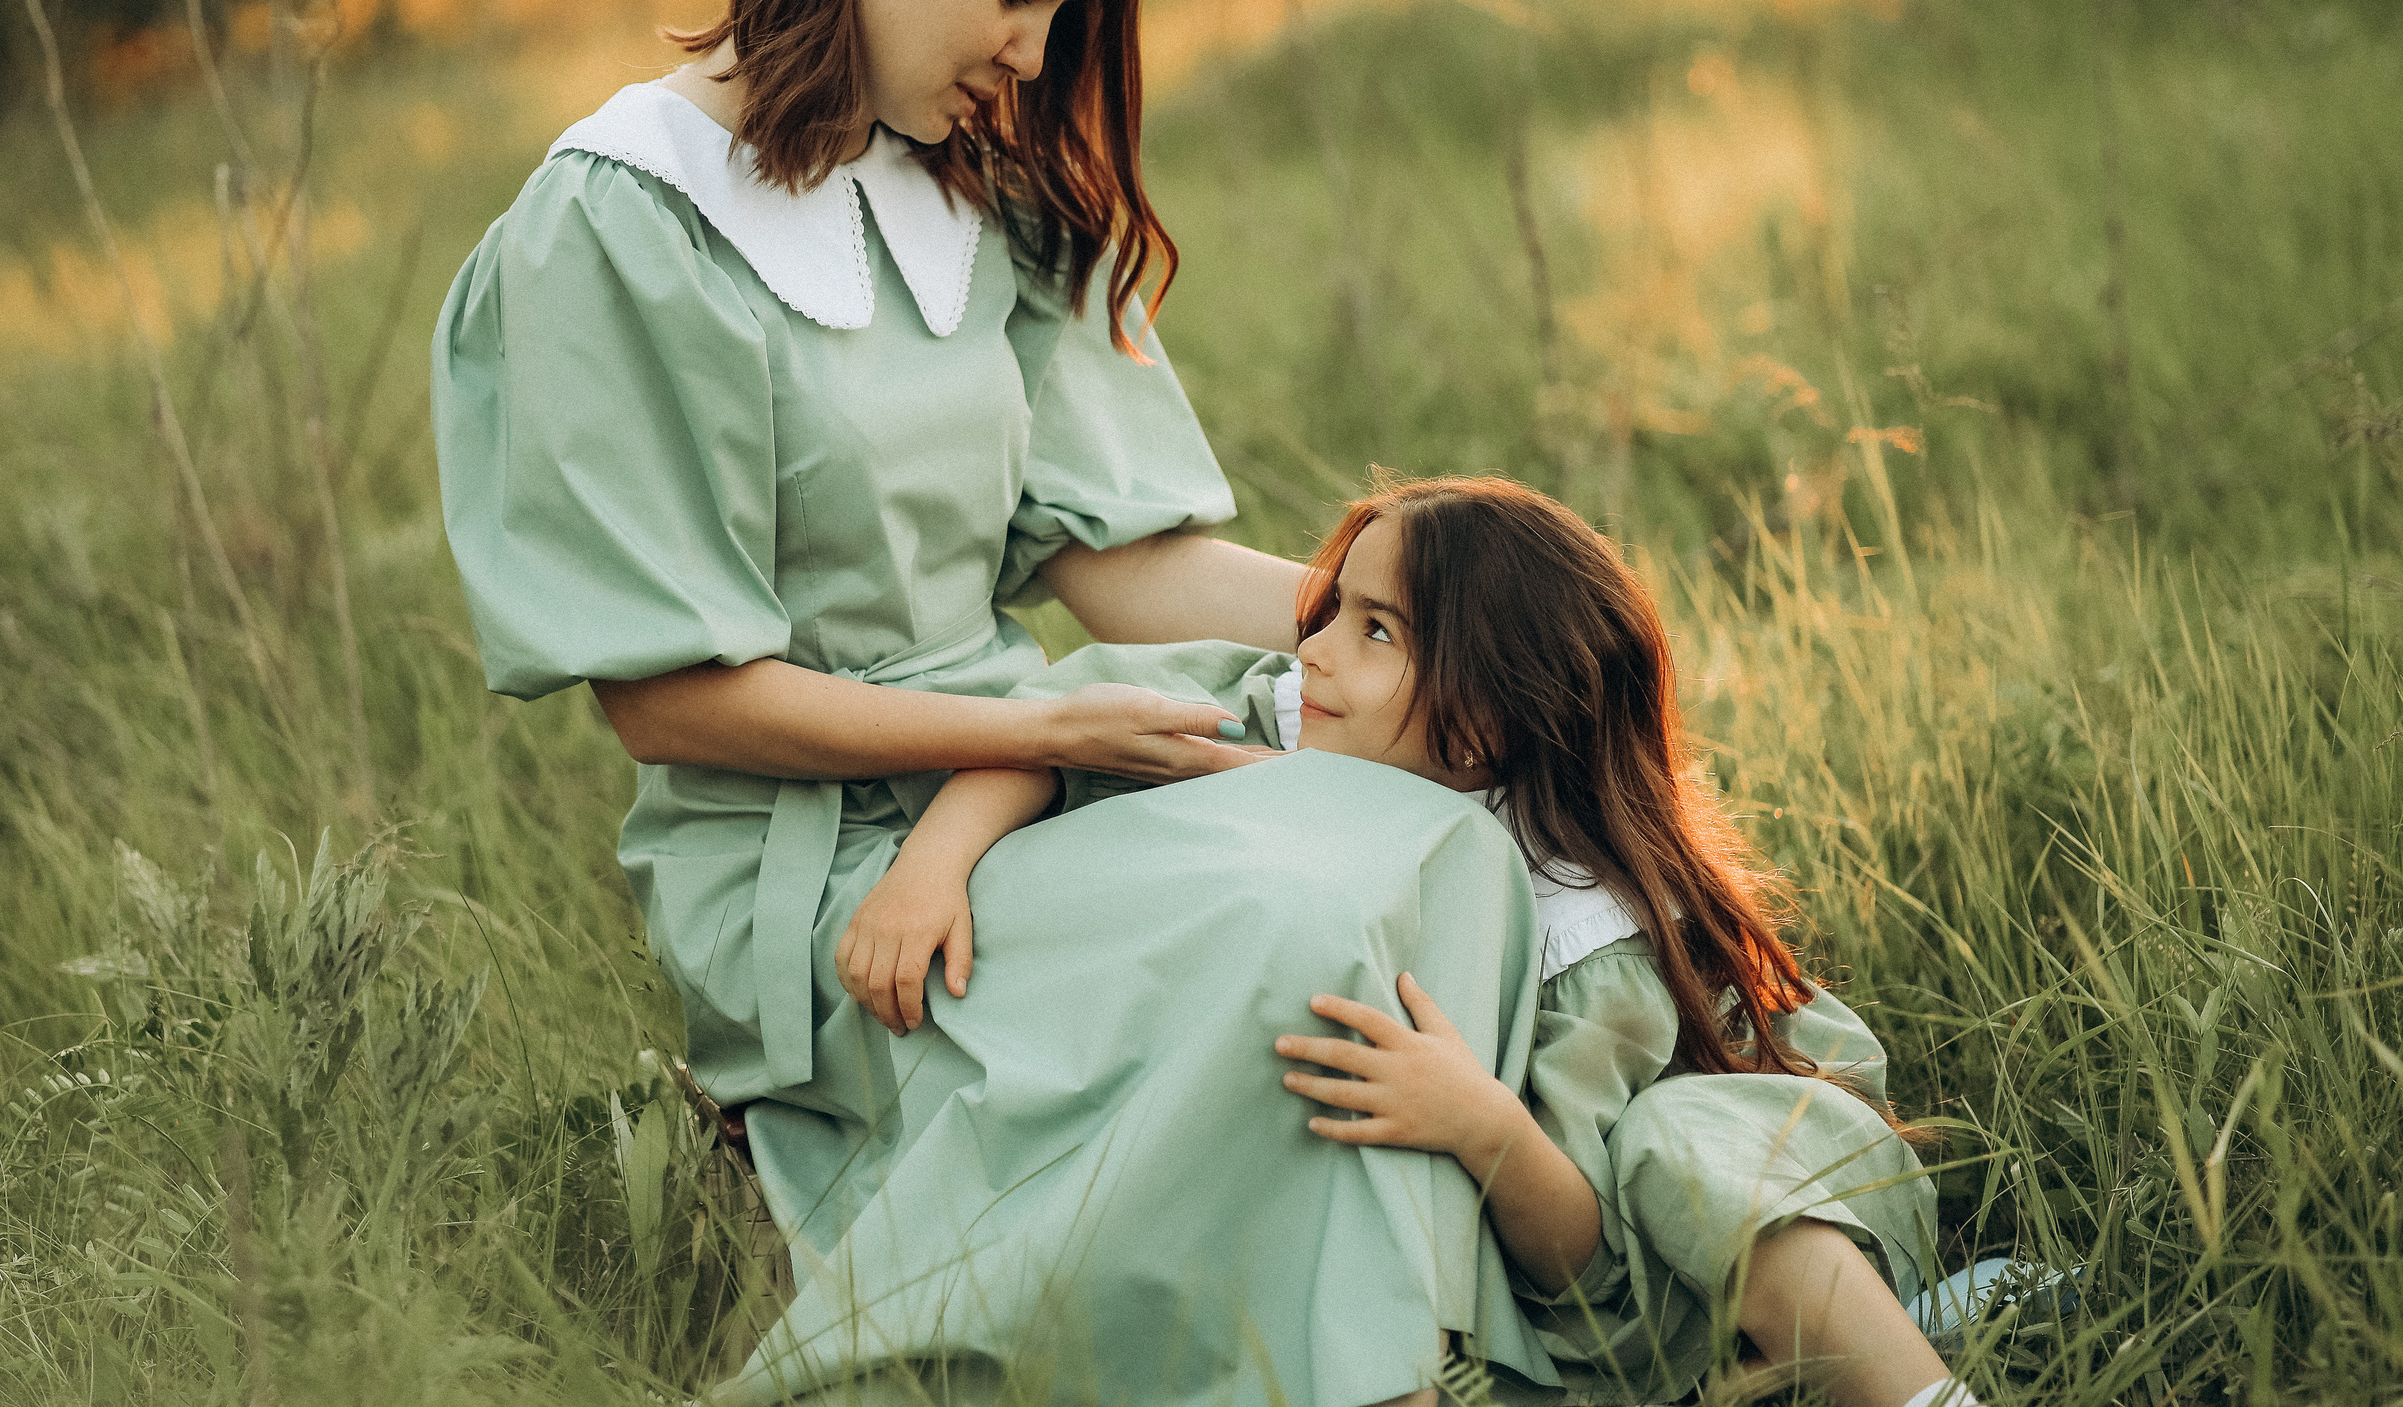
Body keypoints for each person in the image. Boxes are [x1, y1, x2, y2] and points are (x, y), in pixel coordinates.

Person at [434, 0, 1360, 1273]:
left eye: (1059, 9)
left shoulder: (979, 182)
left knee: (1415, 842)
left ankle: (1724, 1259)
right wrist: (1043, 730)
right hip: (804, 863)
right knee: (1272, 938)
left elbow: (1129, 570)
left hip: (1015, 775)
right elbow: (674, 700)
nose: (1034, 50)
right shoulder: (620, 218)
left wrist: (1434, 625)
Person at [822, 475, 1978, 1407]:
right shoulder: (1284, 709)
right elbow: (1069, 735)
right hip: (1566, 1288)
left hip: (1669, 1244)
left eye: (1372, 630)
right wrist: (932, 864)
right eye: (1331, 608)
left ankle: (1897, 1370)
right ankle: (1786, 1372)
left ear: (1478, 728)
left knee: (1690, 1144)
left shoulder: (1590, 935)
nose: (1314, 646)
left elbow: (1581, 1268)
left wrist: (1479, 1121)